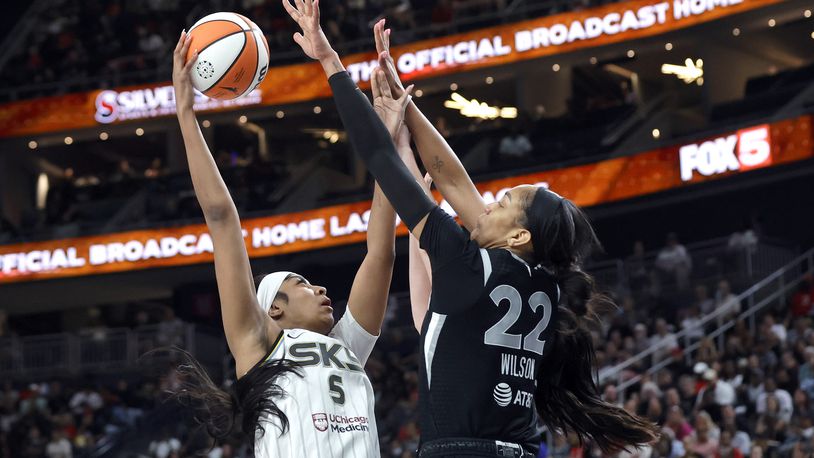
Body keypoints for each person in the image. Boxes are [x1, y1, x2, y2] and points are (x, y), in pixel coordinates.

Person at [283, 4, 659, 456]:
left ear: (518, 236)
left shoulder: (469, 264)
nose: (487, 203)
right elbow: (453, 180)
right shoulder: (544, 282)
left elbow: (379, 158)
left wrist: (330, 62)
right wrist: (406, 112)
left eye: (503, 202)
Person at [166, 26, 417, 457]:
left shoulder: (345, 346)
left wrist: (388, 143)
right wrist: (186, 113)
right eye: (302, 283)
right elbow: (222, 218)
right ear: (273, 308)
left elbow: (379, 253)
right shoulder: (258, 345)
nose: (320, 289)